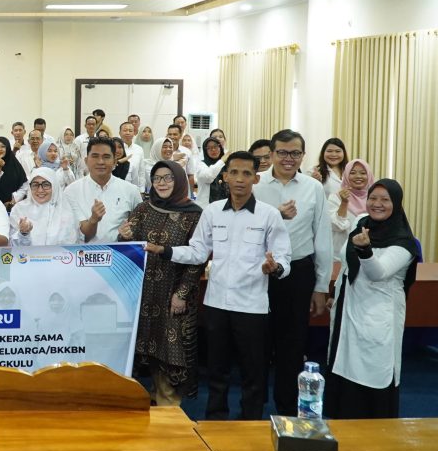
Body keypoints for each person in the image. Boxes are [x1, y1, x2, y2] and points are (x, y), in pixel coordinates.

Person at [144, 151, 291, 420]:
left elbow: (283, 258)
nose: (239, 179)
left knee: (253, 374)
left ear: (256, 178)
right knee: (216, 371)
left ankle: (250, 424)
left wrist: (276, 268)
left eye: (246, 173)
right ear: (225, 177)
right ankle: (215, 422)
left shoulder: (269, 215)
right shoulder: (212, 212)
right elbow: (197, 252)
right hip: (216, 304)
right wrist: (164, 250)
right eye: (234, 172)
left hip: (252, 307)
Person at [253, 129, 331, 417]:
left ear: (303, 155)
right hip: (260, 271)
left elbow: (322, 237)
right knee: (257, 342)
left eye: (295, 153)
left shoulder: (313, 188)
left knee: (292, 343)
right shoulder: (256, 185)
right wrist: (276, 213)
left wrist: (321, 286)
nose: (289, 158)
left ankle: (287, 409)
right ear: (272, 154)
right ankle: (253, 407)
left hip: (298, 272)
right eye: (283, 152)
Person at [327, 179, 419, 419]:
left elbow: (378, 273)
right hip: (349, 308)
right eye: (373, 198)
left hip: (378, 314)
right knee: (345, 366)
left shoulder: (404, 242)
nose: (377, 204)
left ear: (396, 203)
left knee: (373, 371)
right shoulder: (361, 222)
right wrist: (335, 294)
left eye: (385, 200)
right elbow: (346, 263)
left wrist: (366, 251)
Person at [118, 161, 203, 406]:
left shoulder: (194, 214)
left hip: (173, 294)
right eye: (157, 178)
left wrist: (182, 293)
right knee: (146, 350)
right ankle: (152, 404)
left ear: (179, 180)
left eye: (168, 178)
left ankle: (169, 410)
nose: (162, 183)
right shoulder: (143, 209)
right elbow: (130, 246)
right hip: (144, 294)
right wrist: (123, 236)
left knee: (170, 351)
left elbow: (197, 258)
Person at [64, 138, 142, 244]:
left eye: (106, 157)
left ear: (115, 162)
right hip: (82, 252)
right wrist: (93, 220)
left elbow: (140, 228)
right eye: (95, 156)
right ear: (86, 161)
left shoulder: (131, 191)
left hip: (120, 253)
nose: (100, 162)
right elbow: (77, 234)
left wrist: (129, 233)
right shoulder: (71, 191)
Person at [10, 167, 79, 245]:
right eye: (35, 185)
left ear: (54, 186)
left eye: (46, 185)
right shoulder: (19, 209)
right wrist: (23, 234)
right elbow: (13, 246)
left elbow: (71, 244)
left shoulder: (65, 211)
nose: (40, 190)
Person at [327, 159, 375, 262]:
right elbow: (337, 226)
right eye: (352, 173)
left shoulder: (374, 198)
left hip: (370, 254)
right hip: (341, 257)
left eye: (363, 173)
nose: (358, 176)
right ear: (346, 176)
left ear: (369, 176)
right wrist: (344, 203)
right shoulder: (336, 197)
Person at [0, 137, 27, 209]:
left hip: (13, 207)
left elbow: (24, 185)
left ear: (8, 148)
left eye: (3, 146)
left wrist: (13, 201)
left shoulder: (14, 164)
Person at [195, 137, 227, 207]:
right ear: (205, 150)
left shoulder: (227, 164)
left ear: (220, 147)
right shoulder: (201, 164)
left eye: (215, 146)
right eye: (209, 148)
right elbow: (208, 177)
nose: (213, 150)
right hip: (206, 206)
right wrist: (221, 161)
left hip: (225, 204)